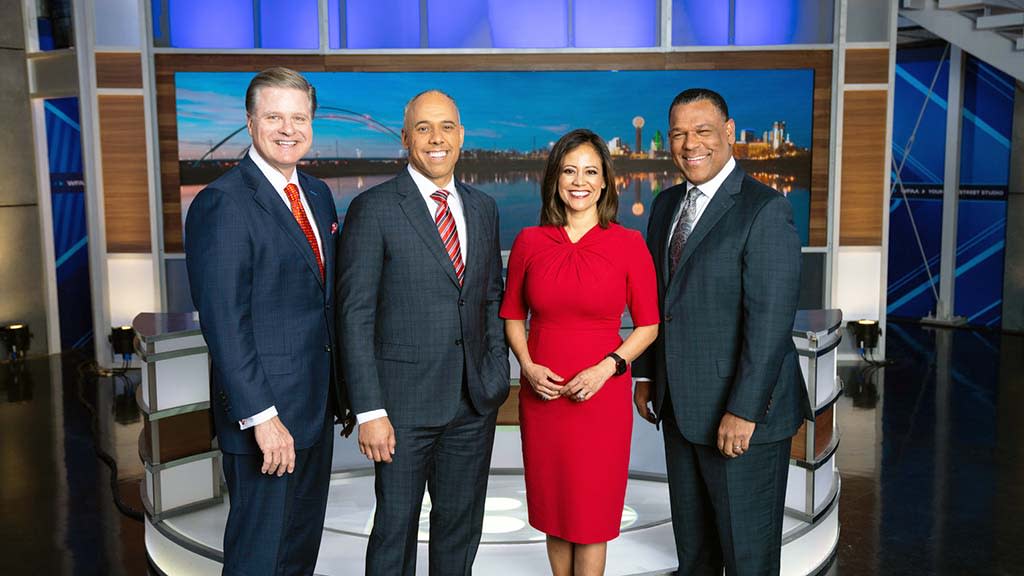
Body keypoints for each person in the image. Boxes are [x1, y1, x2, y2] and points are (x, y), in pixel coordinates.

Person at [632, 88, 810, 576]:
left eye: (703, 131)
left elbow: (770, 323)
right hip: (680, 410)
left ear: (729, 134)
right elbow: (658, 301)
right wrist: (646, 376)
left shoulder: (764, 209)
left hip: (741, 419)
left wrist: (743, 411)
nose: (690, 144)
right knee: (694, 556)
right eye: (679, 134)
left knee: (748, 560)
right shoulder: (666, 205)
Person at [337, 89, 510, 576]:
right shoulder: (373, 208)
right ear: (405, 138)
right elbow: (354, 314)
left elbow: (489, 299)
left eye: (447, 127)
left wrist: (496, 373)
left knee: (460, 531)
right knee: (395, 532)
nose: (437, 138)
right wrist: (369, 410)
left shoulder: (483, 208)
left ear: (462, 136)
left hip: (472, 403)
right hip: (400, 408)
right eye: (424, 128)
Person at [184, 67, 349, 575]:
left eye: (299, 117)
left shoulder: (317, 194)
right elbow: (225, 324)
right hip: (267, 420)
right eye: (274, 116)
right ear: (250, 122)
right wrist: (262, 417)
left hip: (314, 408)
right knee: (259, 556)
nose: (288, 128)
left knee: (298, 550)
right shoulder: (223, 202)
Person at [500, 129, 659, 576]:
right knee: (555, 512)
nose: (579, 180)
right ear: (554, 179)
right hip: (544, 396)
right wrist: (526, 367)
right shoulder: (530, 242)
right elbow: (513, 315)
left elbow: (648, 325)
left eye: (591, 171)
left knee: (591, 518)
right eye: (569, 170)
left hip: (600, 398)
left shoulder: (628, 244)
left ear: (606, 182)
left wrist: (607, 368)